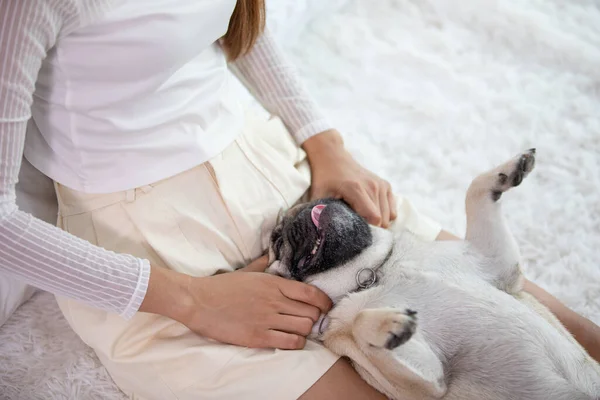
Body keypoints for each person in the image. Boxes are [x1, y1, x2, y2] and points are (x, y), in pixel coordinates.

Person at [0, 0, 598, 398]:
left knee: (513, 308)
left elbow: (233, 29)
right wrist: (193, 300)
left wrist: (326, 145)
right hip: (154, 255)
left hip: (278, 173)